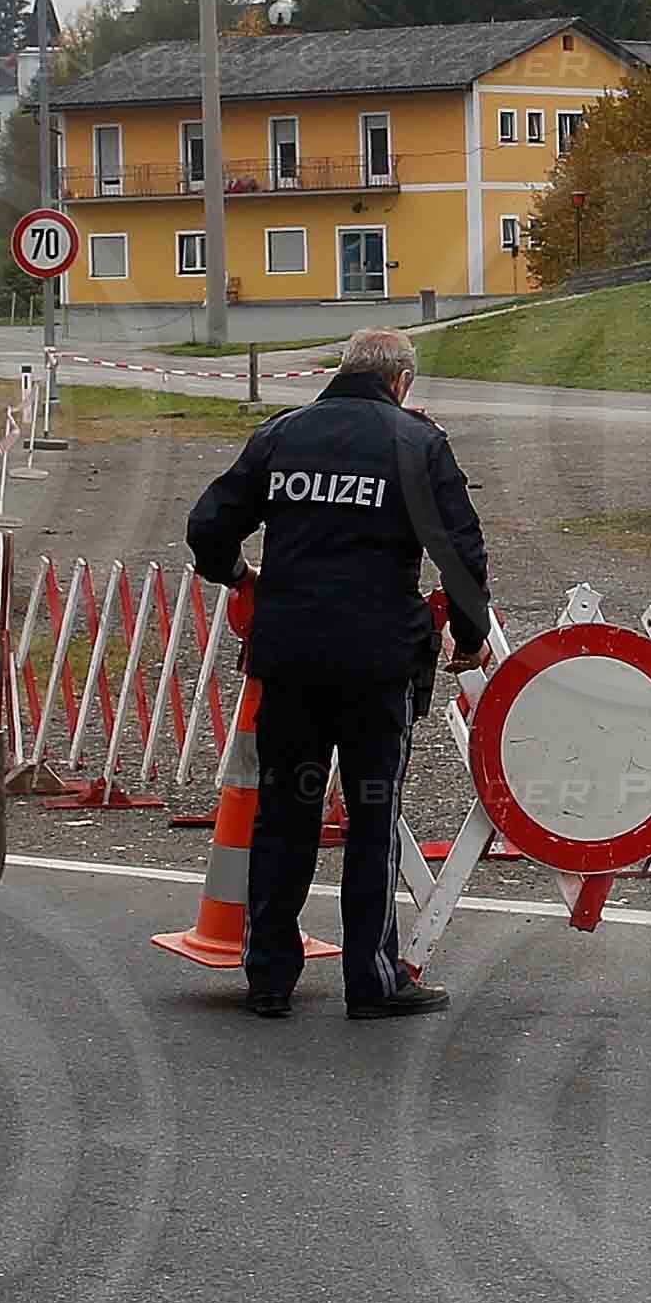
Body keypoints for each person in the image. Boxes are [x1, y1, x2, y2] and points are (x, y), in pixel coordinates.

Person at [183, 326, 492, 1019]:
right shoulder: (416, 444)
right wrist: (468, 639)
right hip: (377, 662)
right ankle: (373, 981)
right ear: (401, 382)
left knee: (283, 814)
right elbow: (462, 553)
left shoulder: (282, 435)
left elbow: (207, 526)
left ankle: (267, 977)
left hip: (290, 655)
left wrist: (239, 577)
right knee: (373, 815)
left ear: (341, 371)